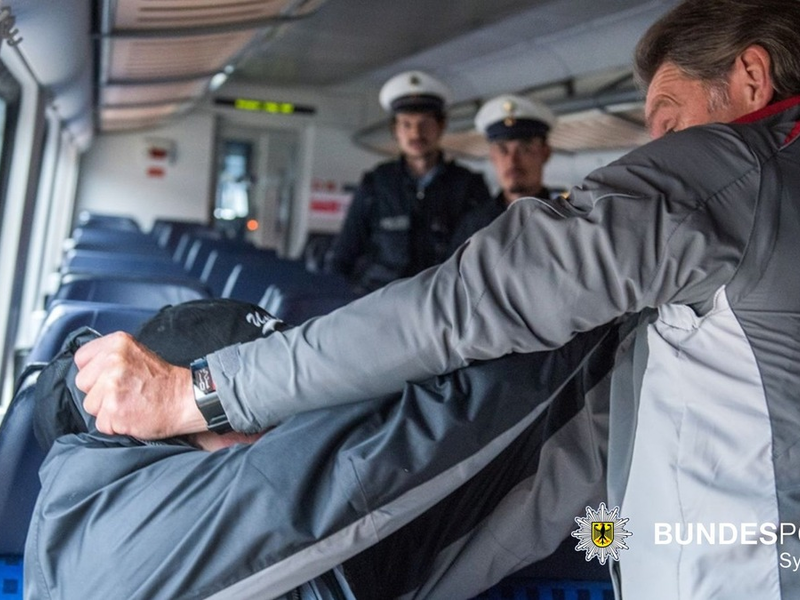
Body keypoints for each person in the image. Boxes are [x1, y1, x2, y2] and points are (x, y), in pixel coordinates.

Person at [75, 0, 800, 597]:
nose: (657, 146)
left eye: (669, 120)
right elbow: (604, 435)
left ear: (751, 78)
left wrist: (204, 391)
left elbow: (458, 307)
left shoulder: (727, 176)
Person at [27, 298, 623, 599]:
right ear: (167, 418)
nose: (282, 434)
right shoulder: (211, 510)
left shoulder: (86, 487)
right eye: (249, 418)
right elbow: (410, 438)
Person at [327, 70, 491, 293]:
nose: (416, 133)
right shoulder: (375, 184)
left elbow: (482, 256)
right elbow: (344, 253)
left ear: (441, 126)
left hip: (440, 302)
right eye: (406, 124)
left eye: (425, 124)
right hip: (379, 301)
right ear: (395, 130)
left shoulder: (468, 187)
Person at [449, 94, 556, 250]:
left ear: (545, 153)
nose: (512, 161)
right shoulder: (473, 226)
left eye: (524, 149)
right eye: (502, 150)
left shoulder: (564, 217)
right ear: (492, 156)